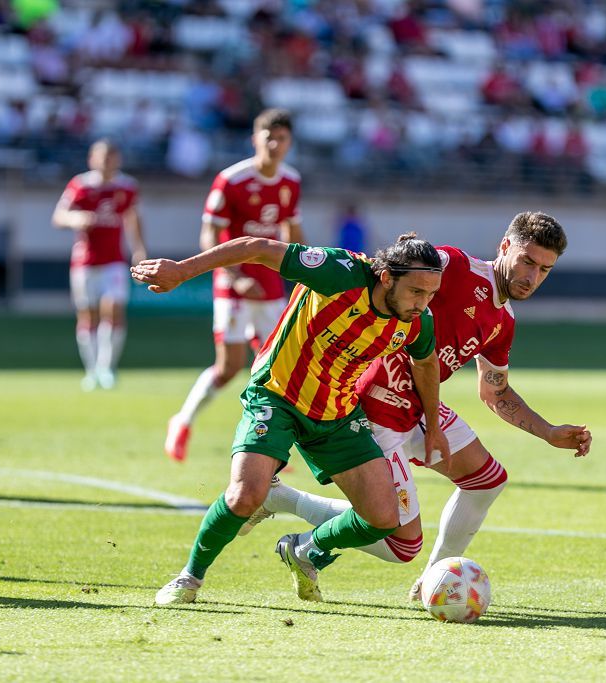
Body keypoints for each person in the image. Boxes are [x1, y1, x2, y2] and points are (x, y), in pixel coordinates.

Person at [240, 211, 593, 601]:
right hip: (374, 406)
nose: (532, 276)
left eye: (544, 269)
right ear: (505, 247)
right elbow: (390, 272)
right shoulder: (453, 266)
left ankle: (434, 584)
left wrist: (547, 432)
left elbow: (496, 392)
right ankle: (293, 518)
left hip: (422, 408)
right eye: (527, 261)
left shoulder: (503, 321)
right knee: (400, 545)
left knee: (487, 482)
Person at [132, 233, 451, 606]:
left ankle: (303, 549)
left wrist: (434, 425)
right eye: (416, 292)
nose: (423, 304)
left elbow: (425, 363)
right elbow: (257, 247)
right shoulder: (340, 272)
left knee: (383, 519)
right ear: (385, 277)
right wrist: (183, 270)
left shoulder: (416, 322)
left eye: (431, 294)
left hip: (337, 413)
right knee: (243, 495)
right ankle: (189, 577)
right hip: (277, 394)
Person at [164, 108, 304, 463]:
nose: (274, 144)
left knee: (277, 367)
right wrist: (236, 277)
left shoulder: (290, 181)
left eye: (281, 138)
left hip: (270, 286)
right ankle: (182, 421)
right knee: (229, 368)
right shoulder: (232, 179)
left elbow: (292, 232)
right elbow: (208, 235)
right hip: (233, 286)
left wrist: (307, 269)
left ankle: (267, 445)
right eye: (268, 136)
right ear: (255, 138)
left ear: (289, 142)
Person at [53, 139, 146, 391]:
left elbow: (133, 219)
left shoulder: (127, 187)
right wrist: (76, 218)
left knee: (114, 309)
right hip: (84, 261)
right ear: (92, 159)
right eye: (102, 157)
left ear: (118, 160)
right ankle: (91, 370)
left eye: (111, 157)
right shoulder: (80, 185)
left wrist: (138, 250)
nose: (107, 162)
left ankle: (107, 368)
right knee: (87, 314)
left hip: (114, 261)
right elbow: (59, 216)